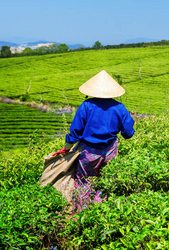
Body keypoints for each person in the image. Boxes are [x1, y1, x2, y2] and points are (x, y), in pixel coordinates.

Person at [54, 70, 135, 207]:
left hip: (88, 153)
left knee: (83, 181)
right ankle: (100, 210)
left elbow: (75, 131)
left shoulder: (86, 106)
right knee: (104, 181)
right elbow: (128, 133)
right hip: (110, 151)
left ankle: (82, 213)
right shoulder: (119, 107)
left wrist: (66, 148)